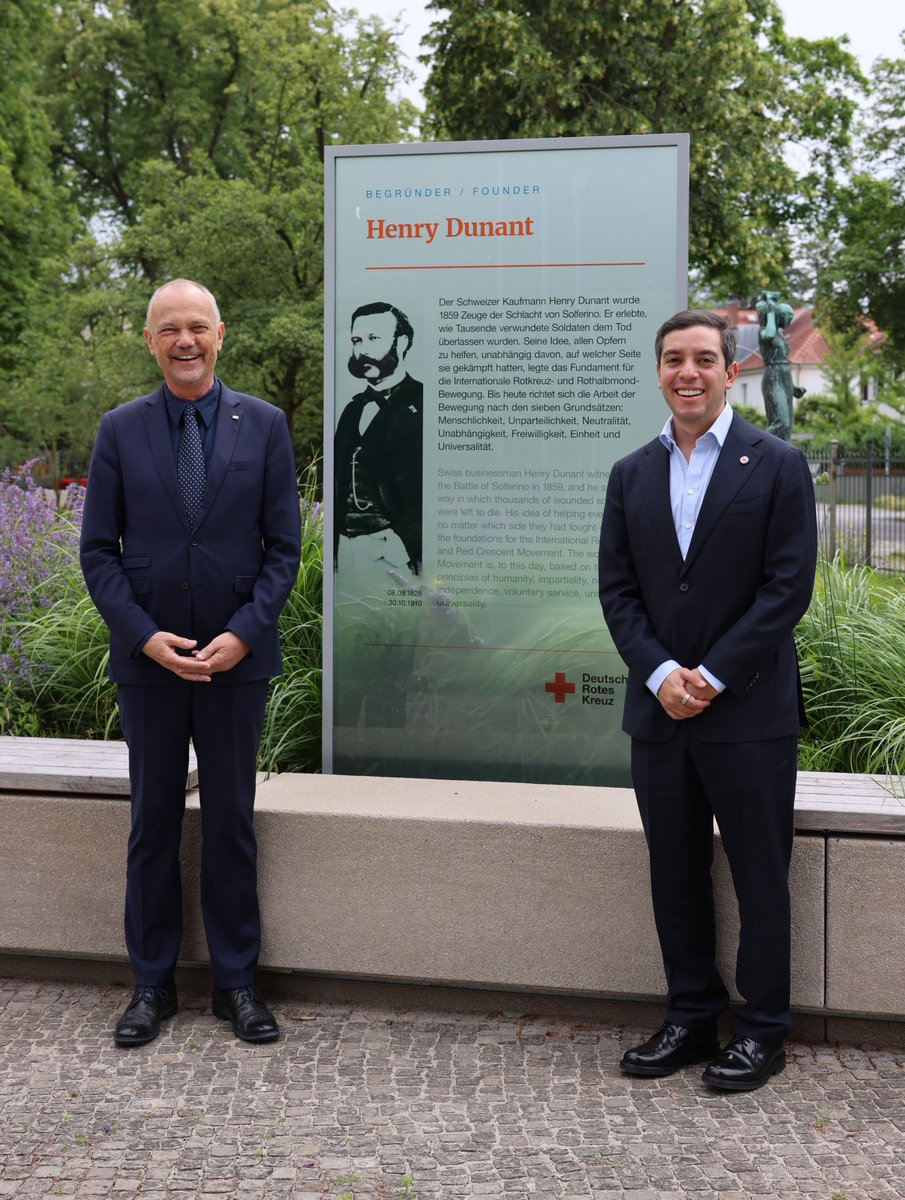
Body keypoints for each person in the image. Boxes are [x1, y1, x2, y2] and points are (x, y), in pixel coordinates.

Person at [598, 309, 817, 1092]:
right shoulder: (629, 474)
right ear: (657, 372)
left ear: (730, 370)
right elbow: (617, 593)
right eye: (671, 360)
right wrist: (663, 676)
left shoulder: (778, 465)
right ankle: (690, 1017)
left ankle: (762, 1032)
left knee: (760, 874)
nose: (685, 372)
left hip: (748, 712)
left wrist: (711, 676)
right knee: (675, 870)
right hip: (659, 714)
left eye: (701, 359)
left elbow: (786, 588)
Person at [80, 279, 301, 1047]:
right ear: (150, 341)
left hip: (237, 662)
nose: (184, 340)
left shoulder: (265, 426)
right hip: (151, 663)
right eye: (169, 329)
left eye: (197, 328)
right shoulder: (119, 430)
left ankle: (237, 984)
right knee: (152, 824)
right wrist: (144, 636)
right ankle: (151, 985)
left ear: (220, 335)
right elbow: (97, 554)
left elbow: (285, 551)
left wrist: (243, 633)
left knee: (232, 823)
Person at [334, 301, 423, 576]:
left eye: (374, 339)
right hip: (345, 552)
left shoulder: (425, 403)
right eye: (357, 340)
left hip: (397, 553)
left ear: (402, 342)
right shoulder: (352, 409)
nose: (363, 351)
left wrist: (405, 543)